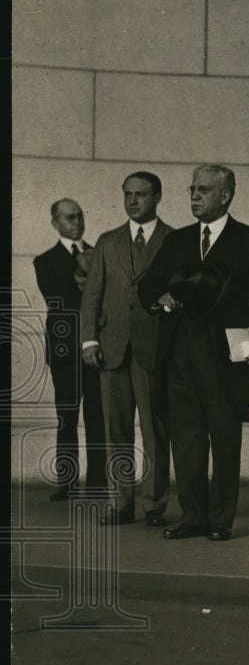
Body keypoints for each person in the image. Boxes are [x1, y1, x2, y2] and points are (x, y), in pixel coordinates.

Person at [138, 165, 249, 541]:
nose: (194, 196)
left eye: (203, 190)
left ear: (225, 195)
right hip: (180, 354)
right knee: (186, 439)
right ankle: (192, 518)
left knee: (224, 438)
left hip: (226, 357)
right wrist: (161, 295)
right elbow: (148, 285)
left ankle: (220, 521)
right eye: (191, 189)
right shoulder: (177, 241)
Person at [80, 172, 173, 527]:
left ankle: (154, 505)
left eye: (141, 195)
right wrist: (89, 339)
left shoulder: (173, 239)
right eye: (128, 195)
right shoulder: (107, 241)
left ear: (158, 197)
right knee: (115, 427)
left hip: (153, 349)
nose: (133, 201)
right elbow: (93, 294)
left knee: (155, 429)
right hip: (111, 347)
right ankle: (120, 503)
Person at [34, 199, 109, 500]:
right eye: (69, 217)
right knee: (67, 417)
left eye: (79, 216)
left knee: (96, 416)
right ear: (55, 223)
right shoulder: (44, 260)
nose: (77, 222)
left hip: (95, 346)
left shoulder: (100, 255)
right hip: (65, 351)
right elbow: (59, 299)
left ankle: (97, 483)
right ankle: (66, 483)